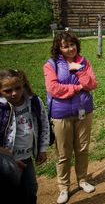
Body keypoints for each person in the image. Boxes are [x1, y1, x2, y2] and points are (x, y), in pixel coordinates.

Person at [43, 31, 98, 204]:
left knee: (82, 149)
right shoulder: (51, 65)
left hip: (84, 112)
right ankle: (63, 188)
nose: (70, 49)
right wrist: (76, 88)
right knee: (64, 153)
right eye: (65, 46)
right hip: (61, 114)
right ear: (58, 48)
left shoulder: (84, 62)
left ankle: (82, 180)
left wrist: (79, 70)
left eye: (72, 45)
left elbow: (92, 84)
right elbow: (54, 89)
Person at [0, 69, 50, 203]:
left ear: (23, 85)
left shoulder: (33, 102)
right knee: (11, 193)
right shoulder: (1, 109)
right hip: (6, 163)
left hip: (27, 158)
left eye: (18, 88)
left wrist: (43, 148)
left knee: (30, 189)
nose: (14, 93)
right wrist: (7, 159)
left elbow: (44, 123)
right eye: (7, 90)